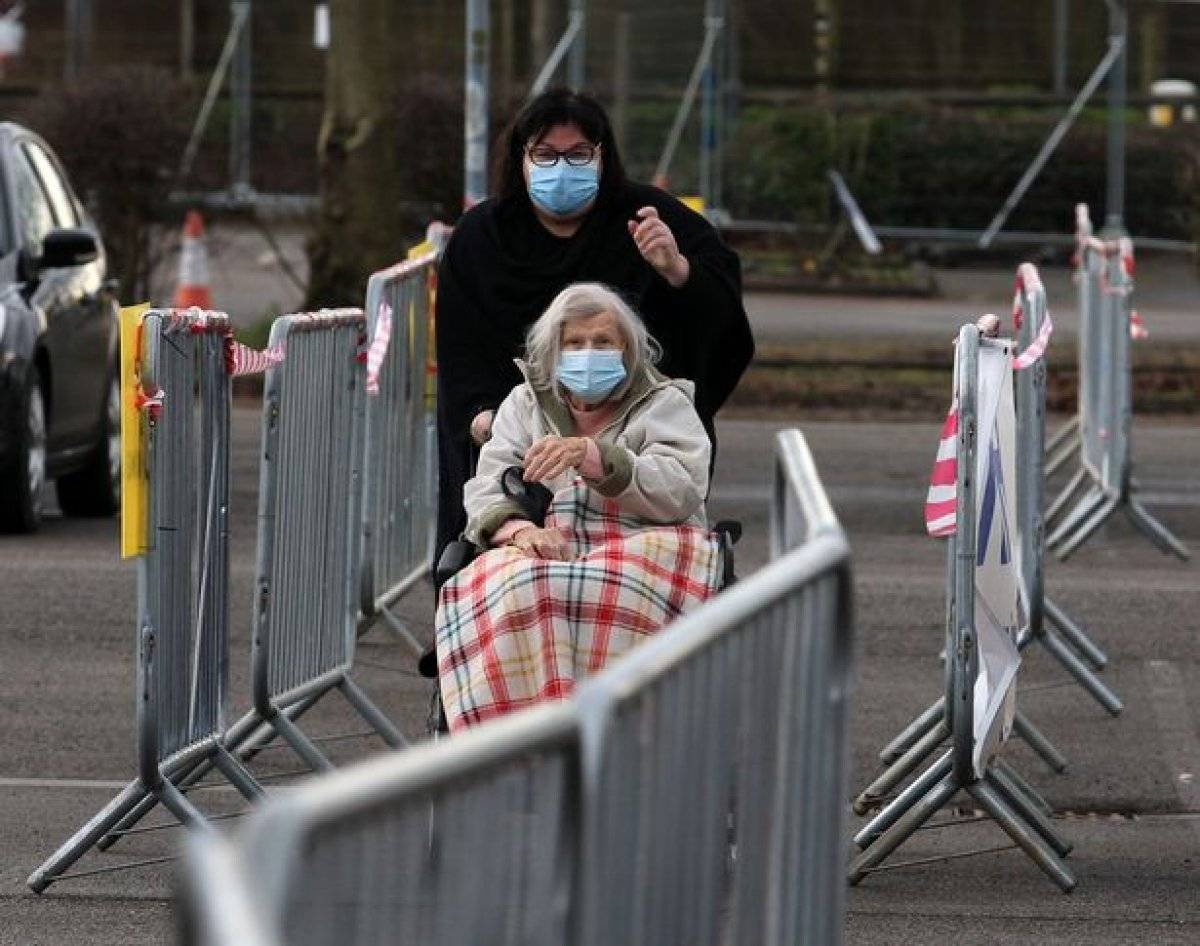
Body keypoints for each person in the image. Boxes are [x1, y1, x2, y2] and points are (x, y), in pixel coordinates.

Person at [434, 86, 753, 563]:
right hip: (517, 436)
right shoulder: (483, 237)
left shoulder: (651, 219)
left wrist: (677, 271)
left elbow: (723, 325)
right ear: (521, 159)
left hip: (637, 437)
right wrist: (486, 419)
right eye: (546, 155)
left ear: (603, 157)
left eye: (579, 154)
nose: (562, 168)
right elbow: (460, 346)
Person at [435, 282, 722, 732]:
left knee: (605, 585)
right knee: (514, 584)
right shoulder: (524, 404)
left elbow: (682, 490)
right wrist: (520, 532)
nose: (590, 352)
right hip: (541, 540)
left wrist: (596, 457)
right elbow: (486, 486)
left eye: (604, 341)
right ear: (555, 349)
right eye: (576, 342)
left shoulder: (665, 403)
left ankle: (615, 732)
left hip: (639, 538)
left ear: (628, 349)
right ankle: (516, 737)